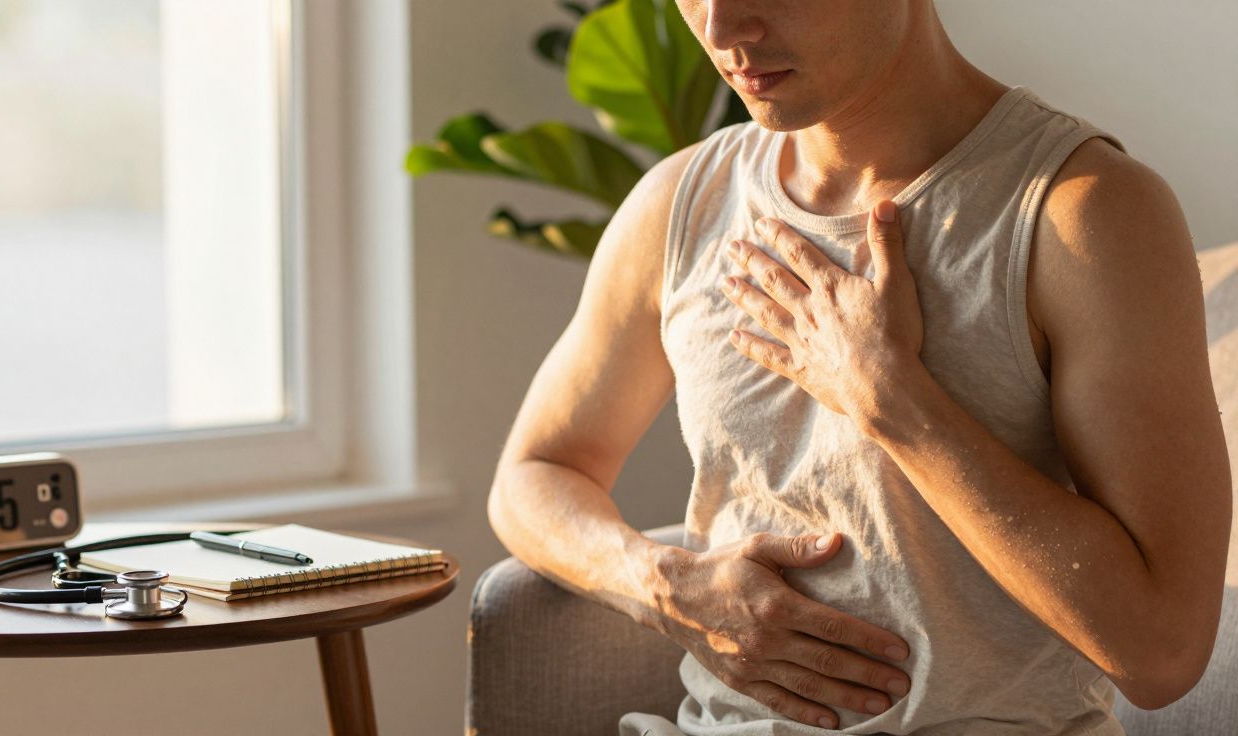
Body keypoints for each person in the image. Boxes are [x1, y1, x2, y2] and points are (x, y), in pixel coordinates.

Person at [486, 1, 1232, 733]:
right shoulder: (681, 203)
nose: (720, 29)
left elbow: (1160, 653)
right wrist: (665, 584)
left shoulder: (1084, 214)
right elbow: (534, 474)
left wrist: (891, 399)